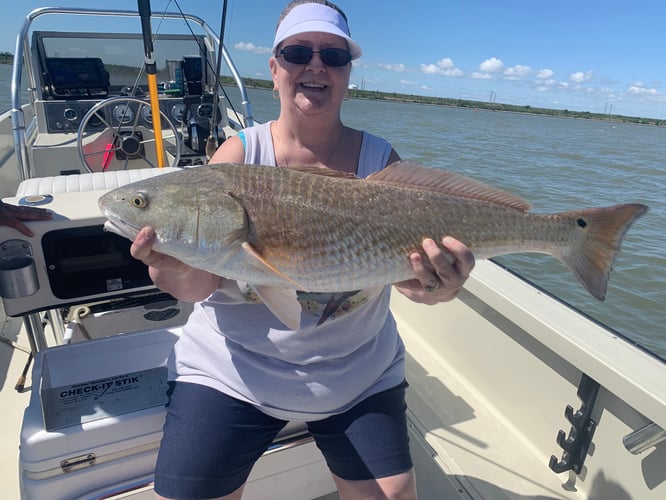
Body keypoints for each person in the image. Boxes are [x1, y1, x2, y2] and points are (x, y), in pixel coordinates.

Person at [131, 1, 475, 498]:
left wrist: (441, 287)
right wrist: (169, 268)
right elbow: (201, 285)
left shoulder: (381, 162)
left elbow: (414, 283)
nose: (315, 65)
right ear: (274, 71)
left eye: (333, 56)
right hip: (235, 374)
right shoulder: (237, 158)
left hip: (357, 376)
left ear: (347, 74)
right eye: (297, 52)